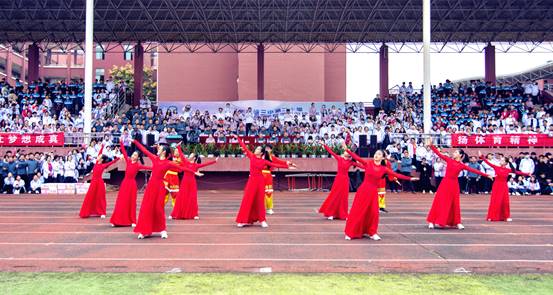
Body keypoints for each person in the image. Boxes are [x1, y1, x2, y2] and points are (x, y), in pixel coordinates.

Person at [345, 148, 418, 240]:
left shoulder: (384, 169)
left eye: (379, 154)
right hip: (363, 190)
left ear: (383, 158)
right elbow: (357, 158)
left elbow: (396, 175)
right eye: (375, 153)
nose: (376, 155)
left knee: (374, 213)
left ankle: (372, 232)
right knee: (358, 210)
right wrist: (347, 150)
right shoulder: (368, 163)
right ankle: (351, 232)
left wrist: (410, 179)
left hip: (373, 192)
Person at [133, 140, 199, 239]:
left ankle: (162, 230)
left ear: (164, 152)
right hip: (151, 187)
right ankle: (144, 230)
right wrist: (134, 141)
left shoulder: (168, 163)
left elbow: (182, 169)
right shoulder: (154, 158)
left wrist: (194, 172)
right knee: (147, 207)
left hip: (160, 186)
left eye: (159, 148)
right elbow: (144, 150)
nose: (157, 149)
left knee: (159, 208)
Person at [426, 139, 491, 229]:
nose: (454, 153)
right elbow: (439, 154)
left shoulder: (462, 165)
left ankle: (457, 222)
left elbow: (474, 170)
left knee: (454, 203)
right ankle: (432, 221)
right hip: (445, 183)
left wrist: (486, 175)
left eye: (456, 152)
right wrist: (431, 146)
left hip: (454, 184)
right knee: (439, 201)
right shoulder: (449, 160)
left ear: (460, 155)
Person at [234, 135, 292, 228]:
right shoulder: (251, 156)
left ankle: (262, 220)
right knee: (247, 200)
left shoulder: (264, 161)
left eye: (258, 149)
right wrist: (237, 138)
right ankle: (243, 220)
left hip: (260, 181)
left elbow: (275, 164)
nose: (256, 149)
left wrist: (287, 166)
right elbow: (244, 147)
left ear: (261, 153)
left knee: (260, 201)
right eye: (256, 148)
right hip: (251, 181)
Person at [110, 140, 152, 227]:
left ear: (138, 158)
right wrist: (121, 142)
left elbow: (149, 167)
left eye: (135, 155)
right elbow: (124, 152)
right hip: (125, 183)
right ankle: (116, 220)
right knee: (121, 201)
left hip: (132, 185)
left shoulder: (138, 165)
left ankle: (132, 220)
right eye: (133, 154)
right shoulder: (128, 161)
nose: (133, 156)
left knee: (131, 202)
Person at [479, 152, 530, 222]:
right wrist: (482, 156)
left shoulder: (508, 170)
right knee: (495, 201)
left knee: (505, 201)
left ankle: (506, 216)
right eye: (501, 160)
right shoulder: (496, 167)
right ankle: (492, 216)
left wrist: (527, 174)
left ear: (506, 163)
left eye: (502, 160)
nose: (501, 161)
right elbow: (488, 163)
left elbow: (518, 172)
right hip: (496, 185)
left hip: (504, 186)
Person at [170, 147, 217, 220]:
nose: (189, 156)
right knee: (181, 197)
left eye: (191, 155)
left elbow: (205, 164)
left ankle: (194, 214)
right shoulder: (185, 162)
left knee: (192, 198)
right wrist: (179, 147)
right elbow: (182, 155)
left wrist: (214, 161)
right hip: (184, 182)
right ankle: (175, 213)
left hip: (192, 183)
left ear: (194, 158)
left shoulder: (196, 165)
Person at [318, 143, 362, 220]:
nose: (344, 152)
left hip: (345, 180)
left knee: (344, 197)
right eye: (345, 151)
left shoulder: (351, 162)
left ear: (349, 155)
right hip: (338, 179)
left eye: (346, 151)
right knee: (334, 196)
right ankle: (331, 213)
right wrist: (324, 145)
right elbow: (331, 152)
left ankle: (344, 214)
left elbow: (362, 165)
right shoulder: (339, 158)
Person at [79, 145, 120, 218]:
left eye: (99, 156)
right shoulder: (96, 163)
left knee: (100, 197)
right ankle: (87, 212)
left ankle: (102, 212)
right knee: (90, 196)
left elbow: (111, 163)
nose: (98, 157)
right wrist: (102, 147)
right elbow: (99, 153)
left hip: (99, 182)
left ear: (101, 159)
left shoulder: (103, 165)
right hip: (93, 182)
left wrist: (117, 159)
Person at [262, 145, 296, 215]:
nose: (267, 150)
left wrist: (291, 164)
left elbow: (281, 162)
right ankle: (257, 208)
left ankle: (269, 208)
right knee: (258, 192)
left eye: (268, 149)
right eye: (266, 148)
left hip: (268, 176)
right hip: (259, 176)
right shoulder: (259, 156)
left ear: (271, 150)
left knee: (268, 192)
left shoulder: (272, 158)